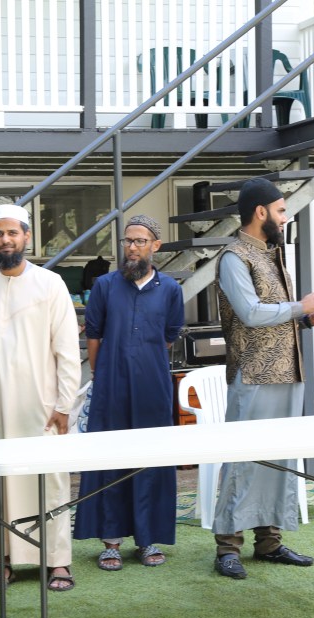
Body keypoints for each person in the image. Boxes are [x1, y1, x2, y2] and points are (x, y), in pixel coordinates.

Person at [211, 178, 314, 580]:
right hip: (253, 375)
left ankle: (269, 542)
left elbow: (275, 317)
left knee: (279, 460)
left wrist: (308, 320)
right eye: (281, 210)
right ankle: (227, 547)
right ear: (260, 211)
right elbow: (250, 313)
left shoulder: (271, 254)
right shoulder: (234, 257)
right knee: (243, 460)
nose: (285, 218)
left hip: (287, 371)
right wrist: (300, 306)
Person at [0, 204, 81, 592]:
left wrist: (64, 405)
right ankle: (2, 558)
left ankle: (57, 561)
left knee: (48, 480)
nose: (6, 240)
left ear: (27, 237)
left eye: (13, 233)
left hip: (40, 407)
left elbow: (67, 350)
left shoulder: (50, 284)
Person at [72, 215, 185, 570]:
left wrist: (142, 363)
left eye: (140, 241)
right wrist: (104, 375)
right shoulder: (105, 286)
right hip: (110, 386)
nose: (132, 248)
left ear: (155, 246)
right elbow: (94, 336)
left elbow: (168, 336)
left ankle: (147, 538)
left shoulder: (170, 289)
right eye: (127, 241)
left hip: (153, 387)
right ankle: (111, 541)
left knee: (150, 459)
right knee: (110, 458)